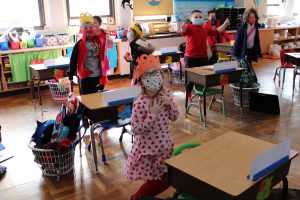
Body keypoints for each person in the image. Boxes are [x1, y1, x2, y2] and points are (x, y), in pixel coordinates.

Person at [124, 54, 179, 200]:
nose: (153, 77)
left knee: (165, 181)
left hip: (164, 147)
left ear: (161, 75)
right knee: (156, 182)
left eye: (156, 73)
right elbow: (136, 129)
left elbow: (175, 116)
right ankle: (136, 198)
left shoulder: (165, 94)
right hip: (149, 151)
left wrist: (169, 103)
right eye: (148, 75)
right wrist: (152, 114)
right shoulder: (140, 103)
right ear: (141, 81)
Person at [180, 10, 230, 99]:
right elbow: (183, 31)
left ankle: (201, 91)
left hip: (203, 57)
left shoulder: (205, 28)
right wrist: (182, 28)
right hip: (190, 57)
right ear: (191, 19)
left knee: (203, 76)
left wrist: (225, 24)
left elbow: (216, 32)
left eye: (200, 17)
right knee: (190, 77)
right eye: (196, 17)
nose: (198, 18)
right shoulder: (189, 27)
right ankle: (188, 92)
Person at [68, 13, 109, 95]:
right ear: (81, 30)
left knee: (97, 96)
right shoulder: (79, 44)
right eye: (86, 28)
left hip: (97, 75)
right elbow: (73, 59)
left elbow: (103, 54)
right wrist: (71, 73)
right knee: (85, 97)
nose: (89, 30)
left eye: (90, 27)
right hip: (85, 76)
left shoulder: (98, 41)